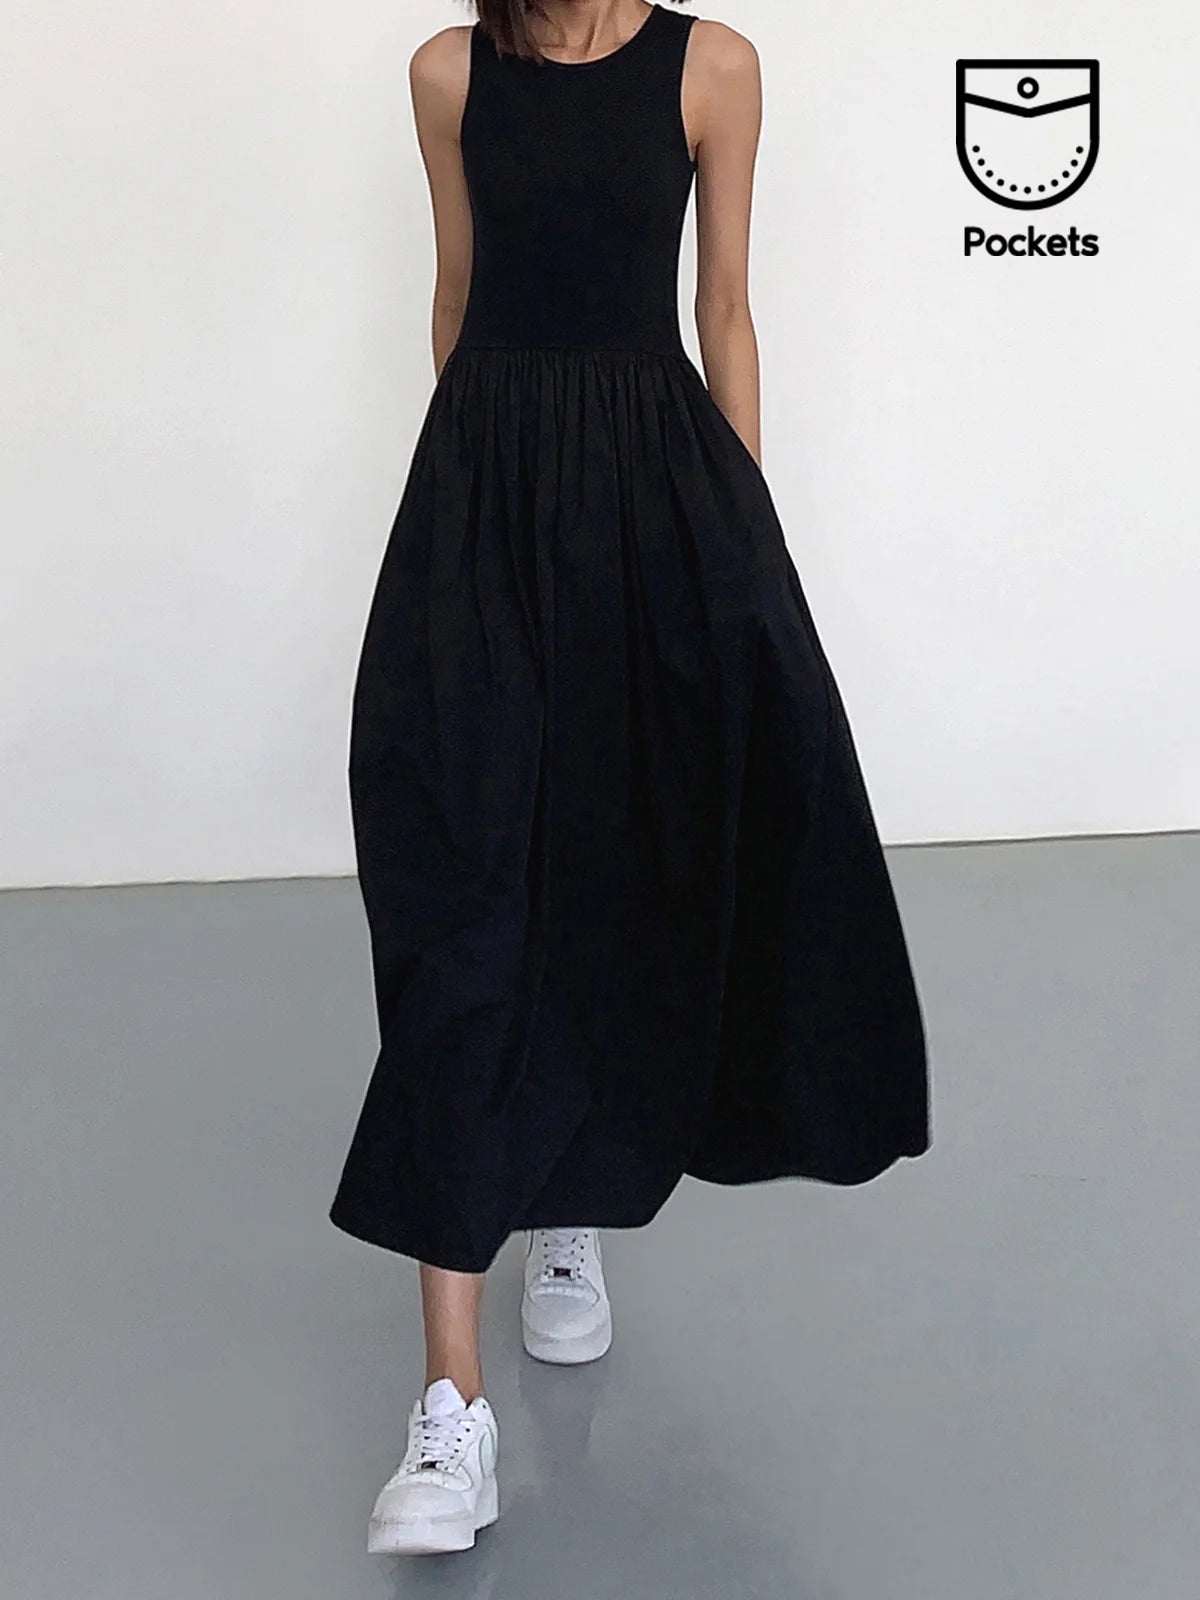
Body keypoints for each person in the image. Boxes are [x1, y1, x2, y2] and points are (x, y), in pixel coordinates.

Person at [329, 0, 931, 1557]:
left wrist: (736, 548)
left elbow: (725, 308)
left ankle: (567, 1202)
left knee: (612, 867)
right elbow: (457, 298)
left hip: (655, 503)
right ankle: (451, 1407)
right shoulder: (448, 74)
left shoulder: (711, 68)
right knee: (459, 900)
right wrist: (481, 509)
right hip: (481, 503)